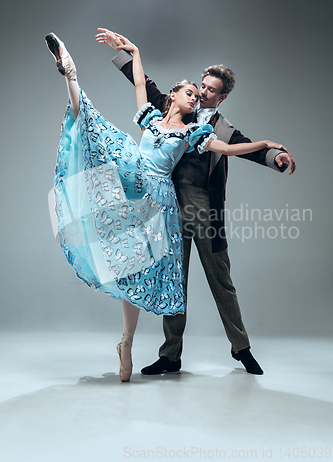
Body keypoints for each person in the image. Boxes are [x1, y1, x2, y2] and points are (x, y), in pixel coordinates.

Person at [46, 31, 290, 382]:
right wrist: (129, 52)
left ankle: (241, 347)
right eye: (198, 87)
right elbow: (143, 85)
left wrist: (274, 152)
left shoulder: (218, 128)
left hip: (198, 207)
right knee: (174, 275)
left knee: (215, 277)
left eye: (208, 90)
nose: (201, 93)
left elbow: (244, 148)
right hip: (159, 197)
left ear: (222, 96)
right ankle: (170, 356)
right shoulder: (169, 109)